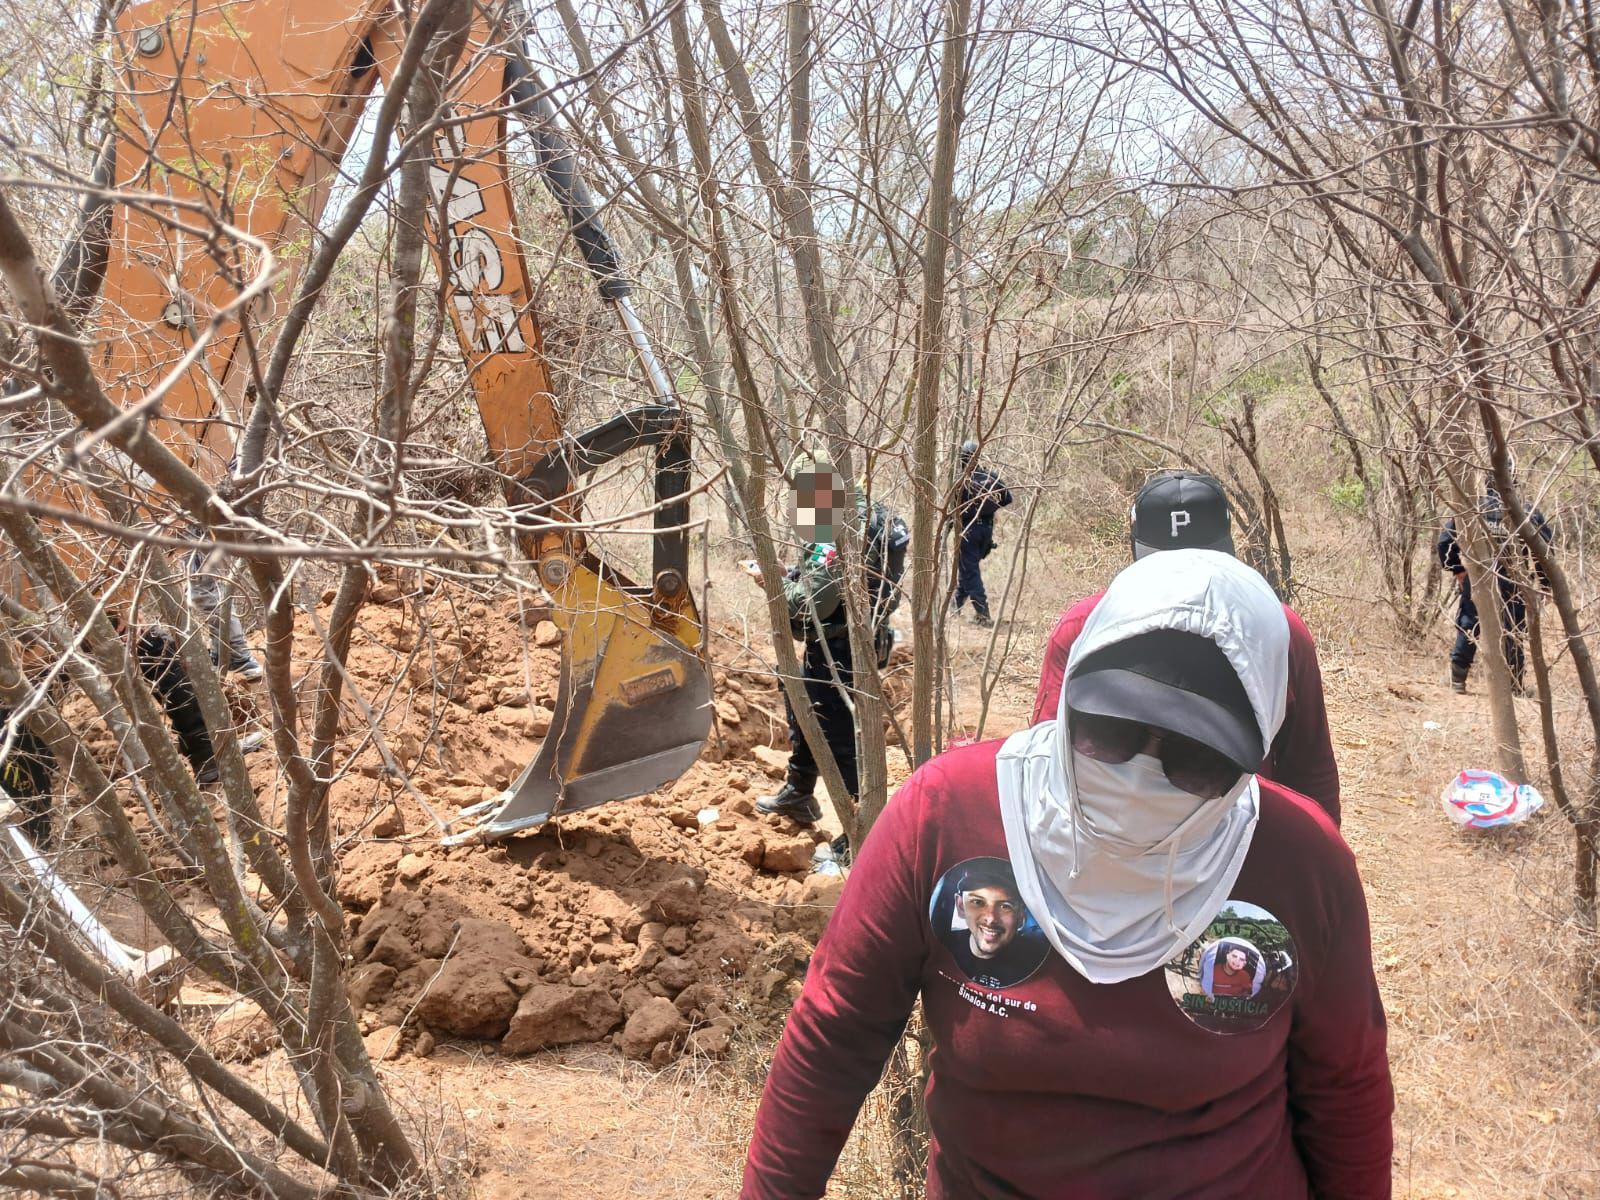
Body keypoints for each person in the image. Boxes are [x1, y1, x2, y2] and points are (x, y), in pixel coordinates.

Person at [741, 549, 1392, 1199]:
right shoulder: (949, 817)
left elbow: (1344, 1091)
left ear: (1253, 753)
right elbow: (833, 1038)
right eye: (1111, 730)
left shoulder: (1298, 863)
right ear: (1072, 693)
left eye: (1194, 756)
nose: (1141, 774)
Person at [1033, 470, 1341, 823]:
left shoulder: (1282, 633)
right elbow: (1049, 752)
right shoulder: (1083, 625)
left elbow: (1309, 768)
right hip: (1105, 834)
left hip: (1232, 839)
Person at [753, 459, 859, 826]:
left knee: (839, 738)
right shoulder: (846, 519)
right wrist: (791, 576)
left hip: (841, 652)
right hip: (837, 645)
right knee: (804, 705)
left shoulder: (835, 532)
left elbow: (812, 603)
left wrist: (776, 584)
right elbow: (824, 584)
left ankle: (855, 833)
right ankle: (799, 791)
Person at [1437, 488, 1552, 695]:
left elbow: (1445, 542)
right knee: (1513, 629)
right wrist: (1545, 583)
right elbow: (1544, 549)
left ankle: (1457, 679)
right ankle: (1514, 685)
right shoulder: (1527, 509)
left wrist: (1458, 570)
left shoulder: (1472, 505)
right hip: (1514, 578)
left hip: (1480, 575)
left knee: (1470, 624)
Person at [933, 859, 1047, 990]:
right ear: (960, 906)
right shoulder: (944, 948)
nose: (991, 918)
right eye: (977, 902)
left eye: (1005, 906)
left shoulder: (1034, 962)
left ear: (1021, 915)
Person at [950, 439, 1011, 628]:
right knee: (968, 569)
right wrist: (987, 508)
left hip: (968, 532)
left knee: (970, 572)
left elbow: (953, 510)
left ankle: (982, 614)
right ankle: (954, 607)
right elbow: (1007, 497)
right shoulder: (990, 477)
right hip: (986, 531)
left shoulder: (961, 481)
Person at [186, 537, 264, 681]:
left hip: (199, 528)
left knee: (206, 591)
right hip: (200, 529)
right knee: (212, 586)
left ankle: (239, 658)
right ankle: (221, 653)